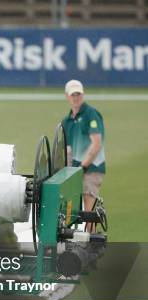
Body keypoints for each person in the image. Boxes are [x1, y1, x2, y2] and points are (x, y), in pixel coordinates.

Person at [61, 79, 106, 232]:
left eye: (78, 94)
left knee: (88, 211)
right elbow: (67, 149)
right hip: (74, 170)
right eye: (73, 95)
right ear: (67, 96)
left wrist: (83, 166)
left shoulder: (90, 114)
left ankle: (90, 246)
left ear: (83, 94)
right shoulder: (67, 121)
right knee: (69, 210)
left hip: (91, 168)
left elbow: (96, 143)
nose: (76, 98)